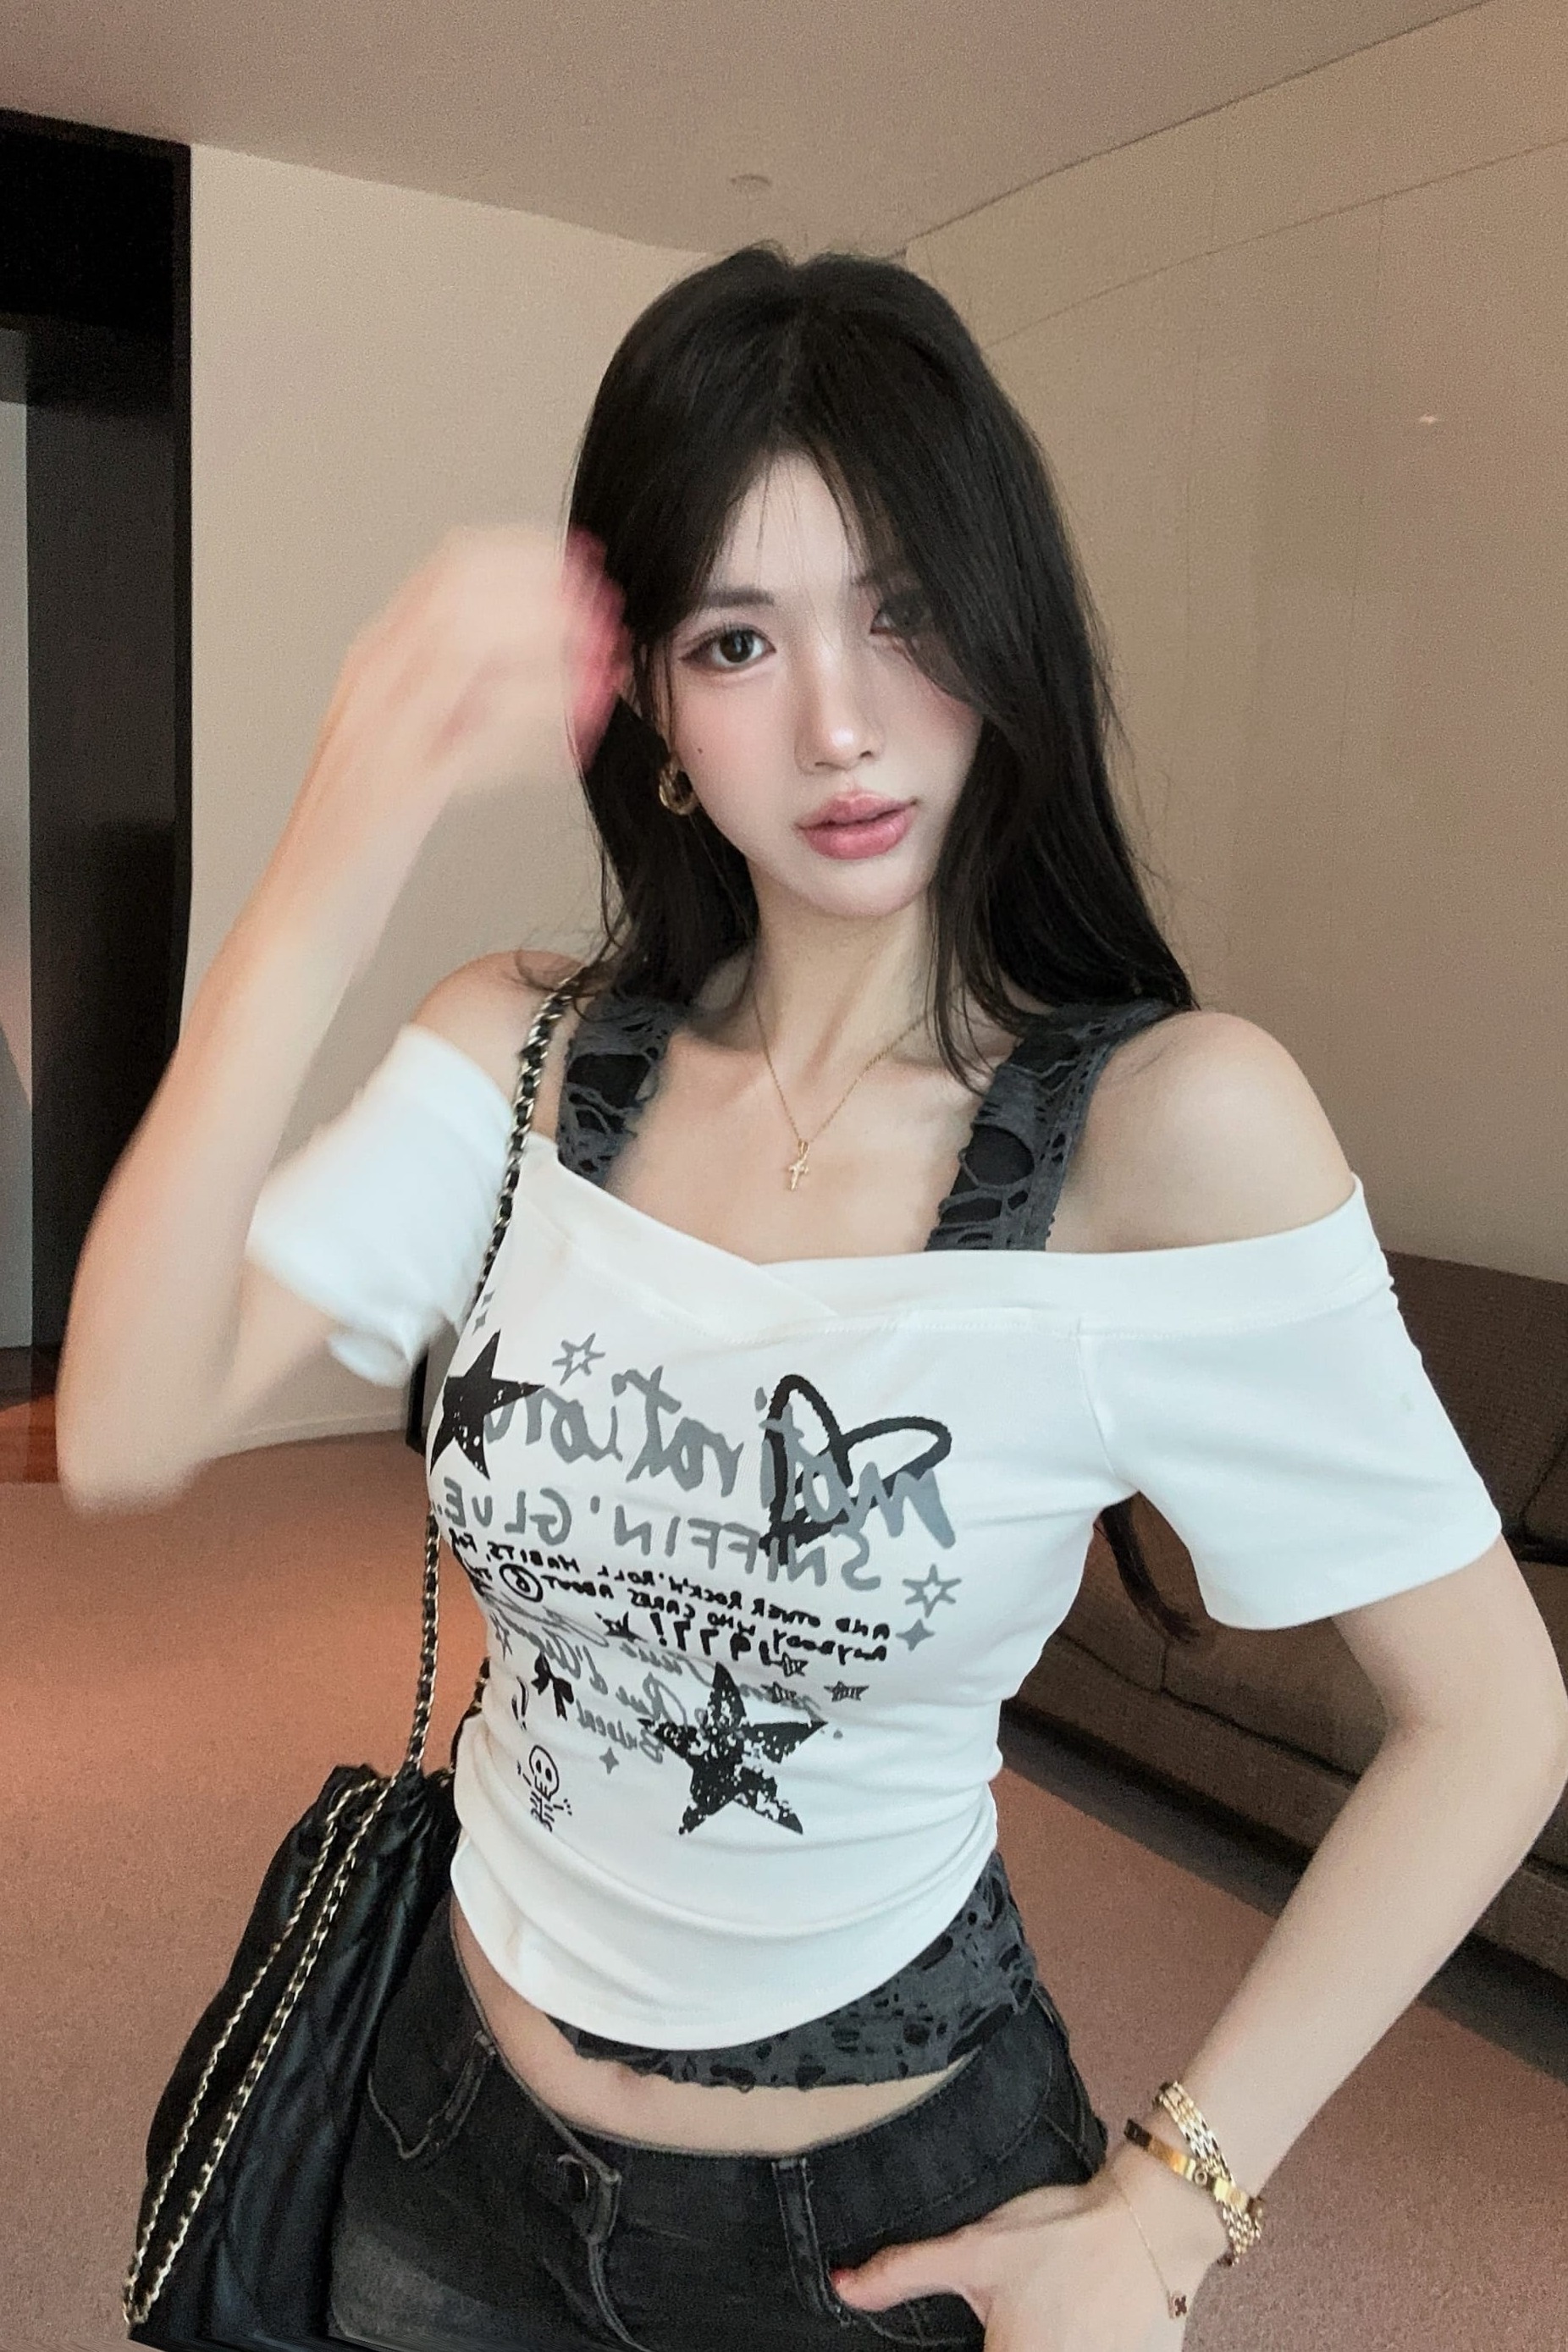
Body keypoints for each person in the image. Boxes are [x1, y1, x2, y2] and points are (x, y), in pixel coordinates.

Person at [58, 245, 1568, 2352]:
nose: (840, 724)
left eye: (903, 612)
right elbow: (123, 1425)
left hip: (860, 2228)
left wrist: (1171, 2209)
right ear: (659, 714)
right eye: (739, 639)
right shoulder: (527, 1055)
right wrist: (339, 837)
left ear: (1007, 633)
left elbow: (1489, 1720)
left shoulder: (1161, 1133)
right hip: (441, 2141)